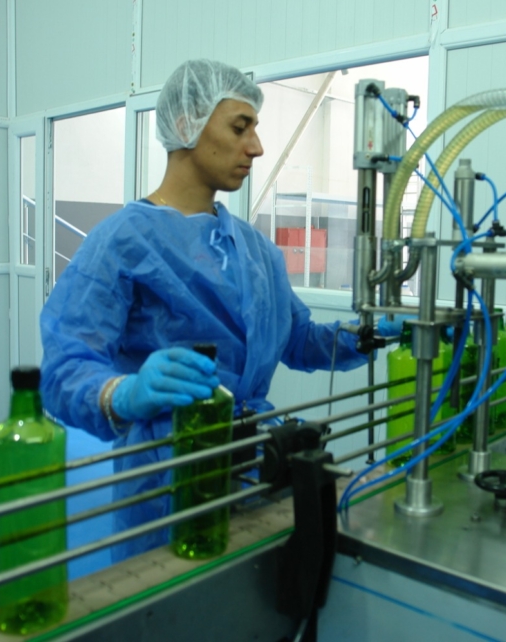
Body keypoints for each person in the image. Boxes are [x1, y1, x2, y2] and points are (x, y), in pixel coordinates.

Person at [40, 59, 400, 561]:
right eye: (239, 127)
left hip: (262, 466)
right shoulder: (123, 241)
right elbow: (64, 369)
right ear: (187, 123)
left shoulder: (255, 249)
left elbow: (297, 339)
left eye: (255, 128)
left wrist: (370, 334)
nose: (256, 146)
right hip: (168, 481)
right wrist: (125, 392)